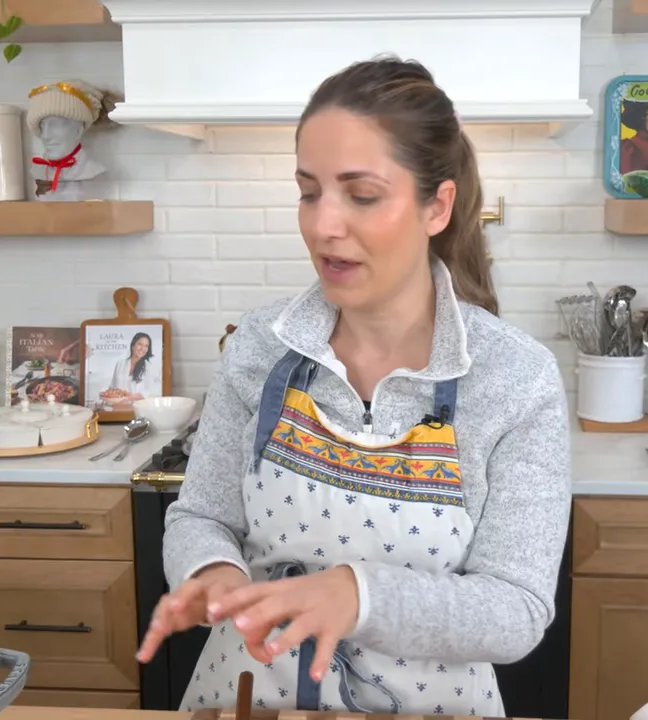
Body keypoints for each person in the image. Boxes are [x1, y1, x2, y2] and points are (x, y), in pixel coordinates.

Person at [135, 56, 571, 717]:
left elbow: (516, 608)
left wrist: (357, 596)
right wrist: (211, 576)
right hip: (248, 700)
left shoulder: (514, 377)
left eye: (361, 195)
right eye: (309, 192)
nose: (321, 225)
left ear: (437, 206)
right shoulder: (260, 347)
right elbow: (202, 517)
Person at [107, 332, 158, 400]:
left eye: (146, 346)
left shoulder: (149, 367)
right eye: (140, 344)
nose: (143, 348)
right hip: (118, 406)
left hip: (138, 407)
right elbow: (113, 386)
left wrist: (130, 397)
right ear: (133, 345)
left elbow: (150, 392)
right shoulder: (120, 363)